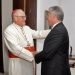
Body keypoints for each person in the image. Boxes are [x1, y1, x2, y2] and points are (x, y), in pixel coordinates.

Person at [4, 9, 50, 75]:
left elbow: (38, 34)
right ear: (15, 18)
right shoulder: (9, 30)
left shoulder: (26, 28)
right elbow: (15, 48)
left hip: (29, 61)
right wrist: (32, 54)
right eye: (22, 17)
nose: (25, 19)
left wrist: (52, 31)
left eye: (25, 16)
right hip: (18, 63)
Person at [34, 6, 71, 75]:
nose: (47, 18)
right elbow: (52, 49)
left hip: (55, 71)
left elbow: (47, 53)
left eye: (48, 15)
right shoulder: (58, 28)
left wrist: (36, 56)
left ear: (54, 17)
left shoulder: (58, 30)